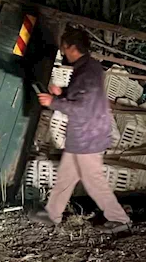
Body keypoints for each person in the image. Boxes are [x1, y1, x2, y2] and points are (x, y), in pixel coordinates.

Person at [31, 28, 132, 233]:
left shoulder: (86, 70)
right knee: (67, 177)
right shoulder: (89, 67)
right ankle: (53, 213)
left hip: (88, 136)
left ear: (71, 47)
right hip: (84, 135)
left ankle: (120, 219)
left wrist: (54, 102)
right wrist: (62, 93)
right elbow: (84, 97)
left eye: (64, 48)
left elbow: (83, 106)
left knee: (93, 181)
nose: (63, 52)